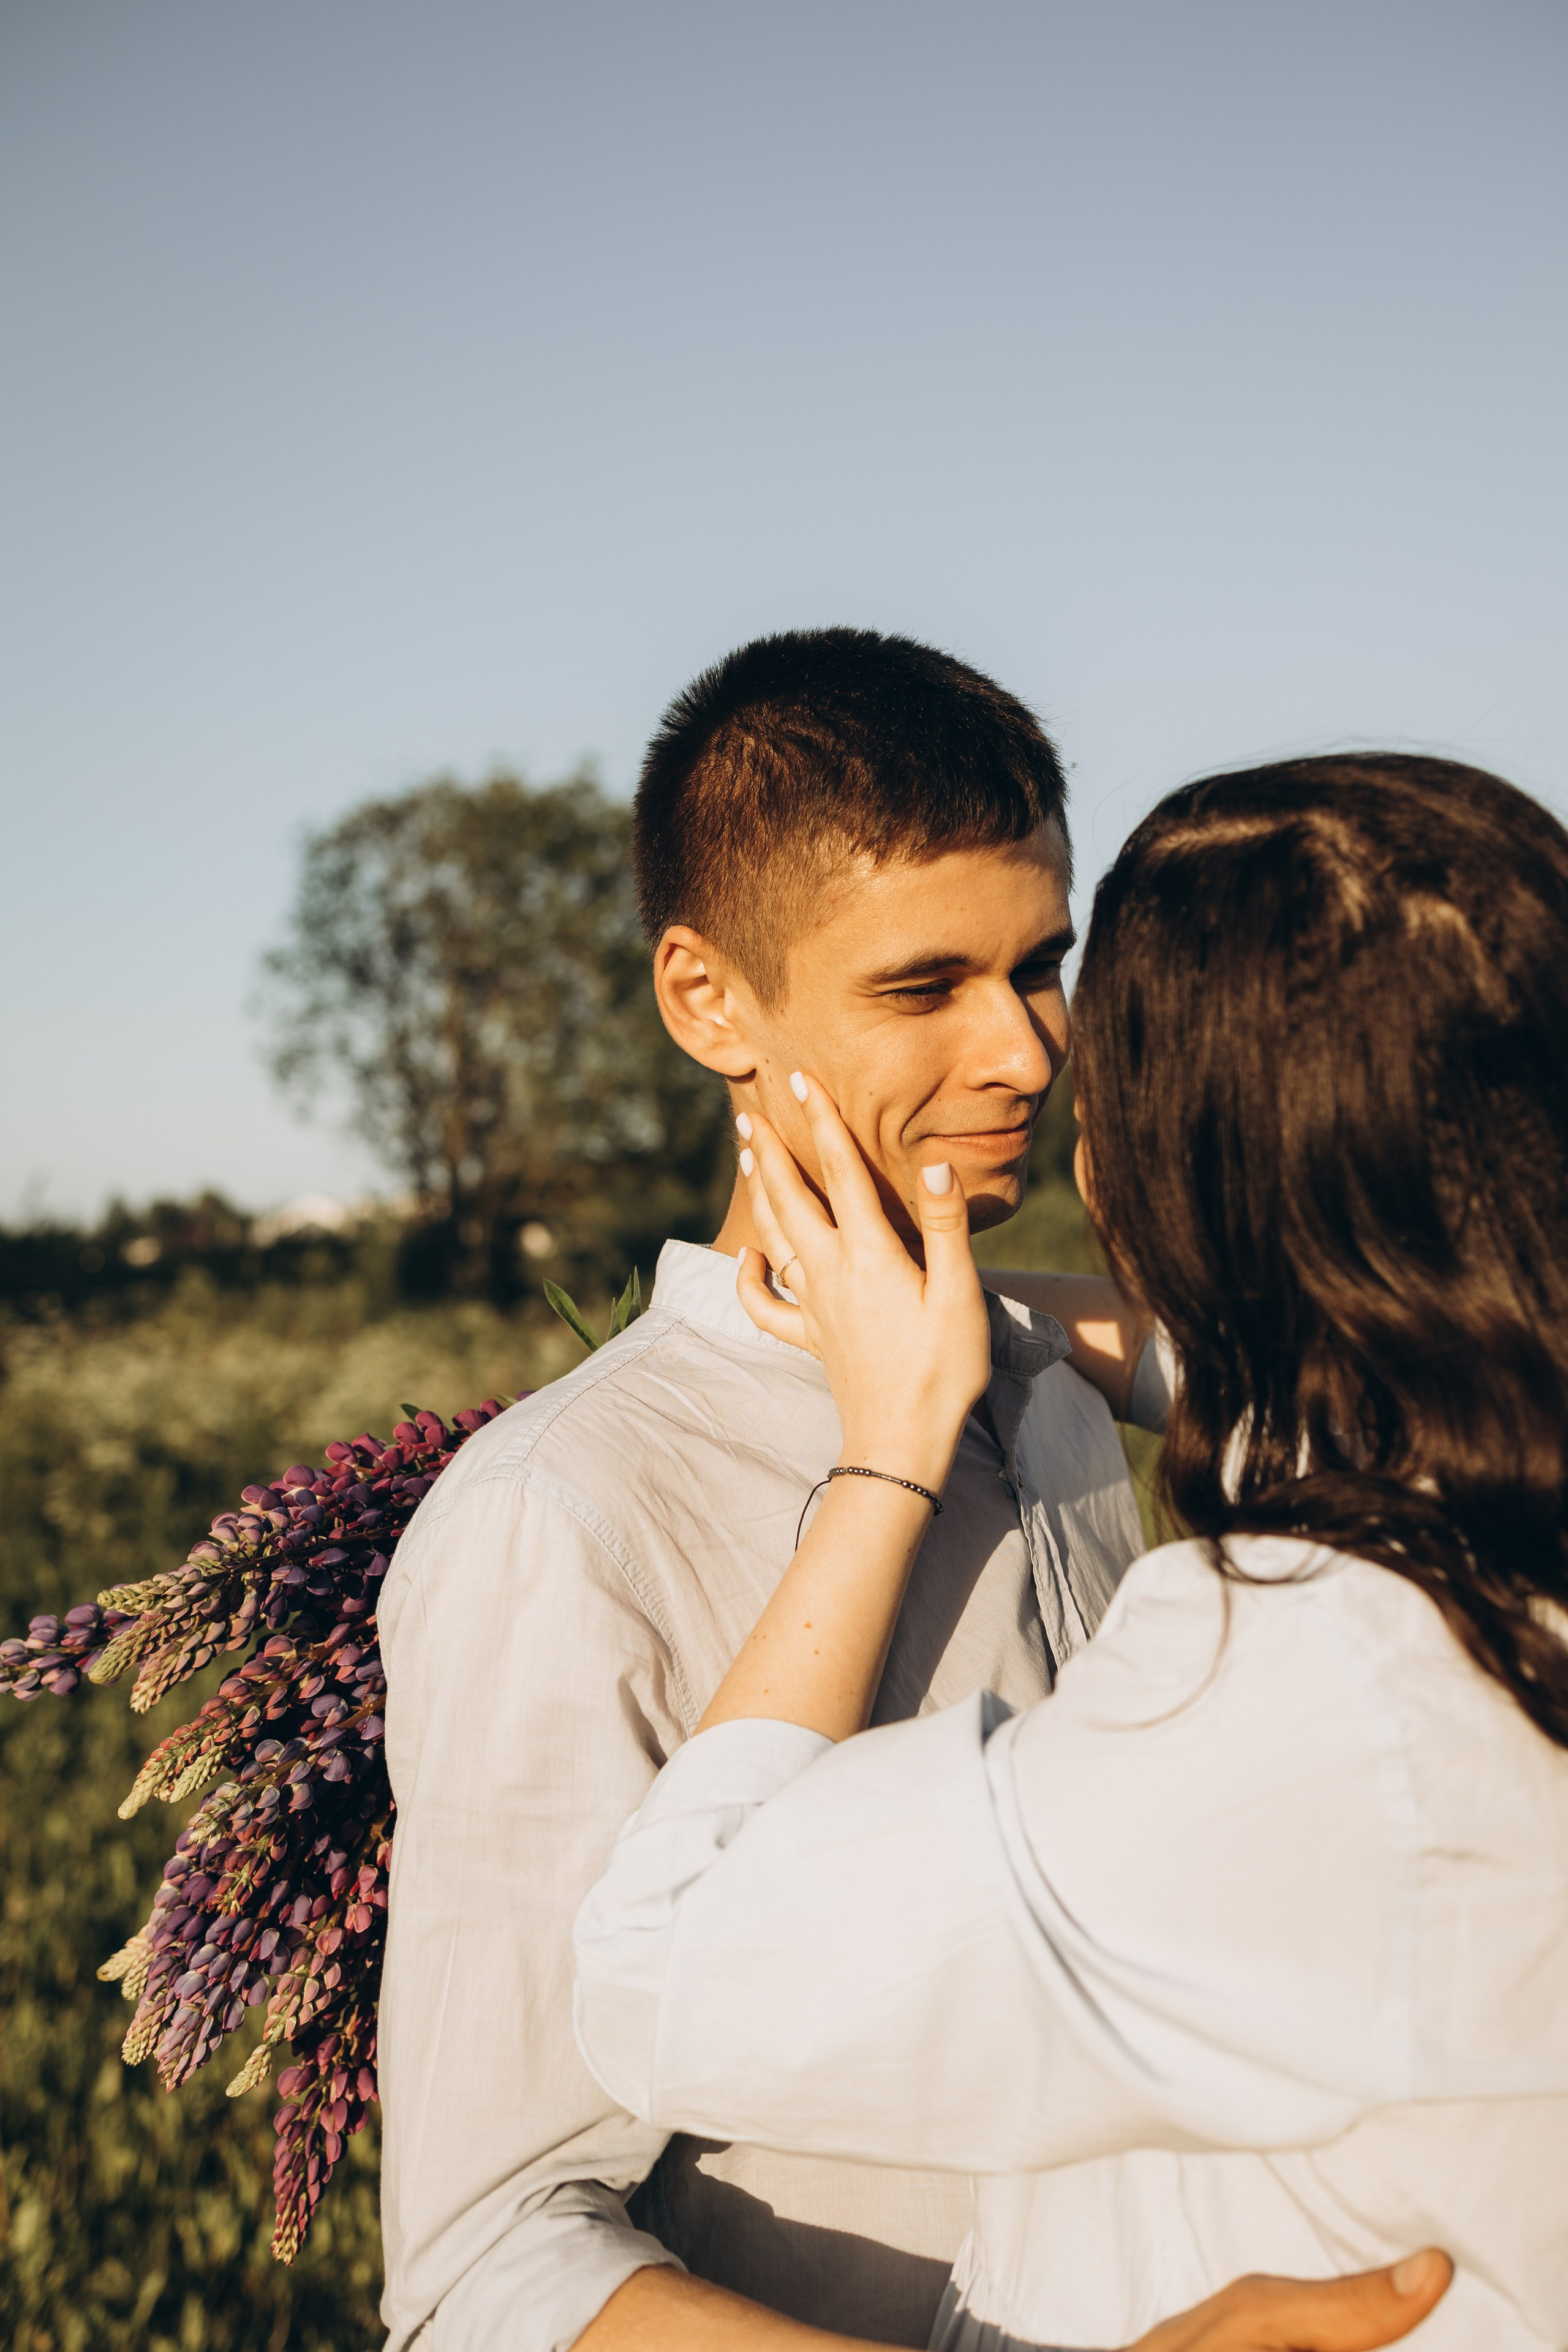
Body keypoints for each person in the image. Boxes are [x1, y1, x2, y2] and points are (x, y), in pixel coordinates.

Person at [376, 637, 1447, 2352]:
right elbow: (486, 2266)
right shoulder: (563, 1513)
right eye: (922, 987)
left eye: (1042, 967)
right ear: (707, 1000)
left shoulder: (1059, 1400)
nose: (1025, 1052)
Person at [574, 753, 1568, 2349]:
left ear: (1161, 1160)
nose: (1032, 1055)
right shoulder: (1497, 1525)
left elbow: (651, 1971)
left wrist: (889, 1451)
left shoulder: (1304, 1704)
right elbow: (1336, 1404)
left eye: (1067, 1003)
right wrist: (1010, 1317)